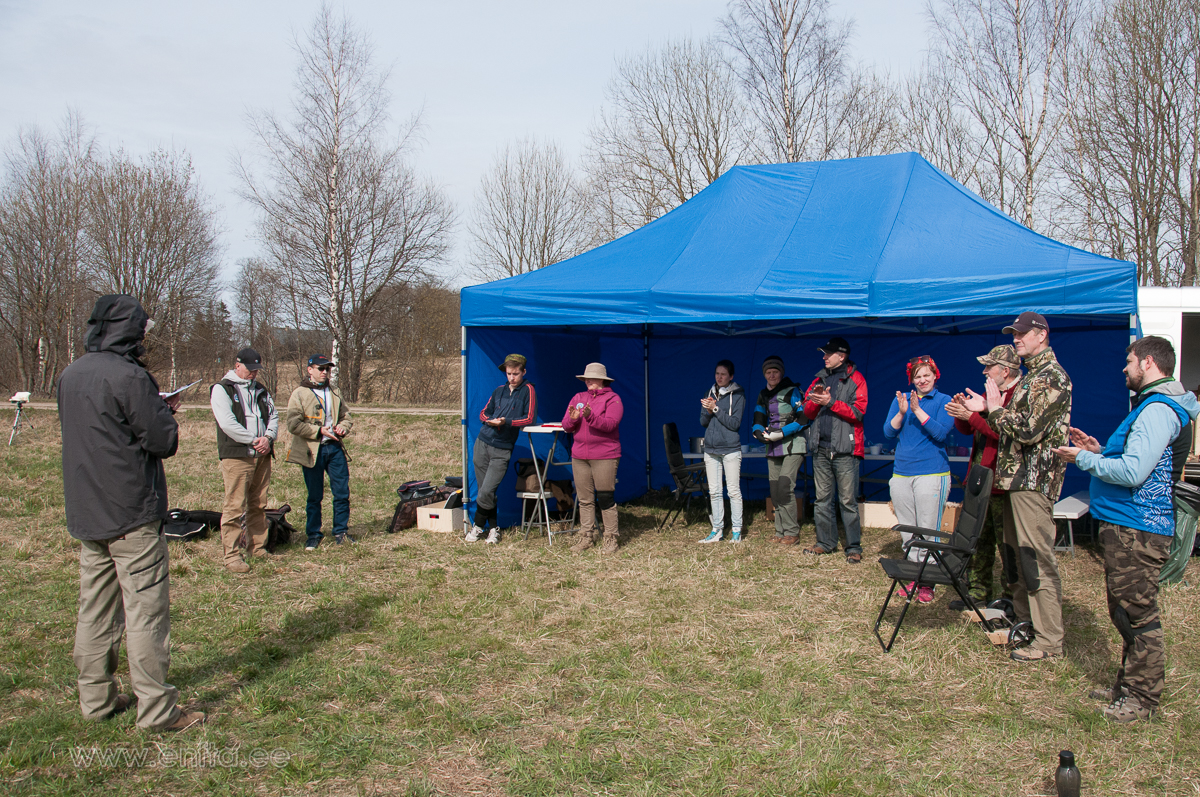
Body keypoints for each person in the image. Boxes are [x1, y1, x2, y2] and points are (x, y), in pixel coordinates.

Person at [57, 294, 204, 732]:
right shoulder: (130, 377)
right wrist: (165, 412)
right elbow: (163, 442)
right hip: (130, 513)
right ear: (131, 331)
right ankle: (157, 710)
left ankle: (96, 700)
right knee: (145, 614)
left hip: (87, 510)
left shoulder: (70, 374)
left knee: (95, 610)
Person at [1054, 336, 1198, 721]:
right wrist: (1100, 452)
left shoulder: (1156, 409)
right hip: (1128, 525)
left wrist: (1084, 459)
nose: (1124, 367)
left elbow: (1135, 473)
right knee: (1124, 610)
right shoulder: (1152, 407)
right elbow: (1138, 462)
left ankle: (1142, 699)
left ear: (1149, 363)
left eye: (1130, 360)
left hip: (1138, 528)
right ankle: (1128, 686)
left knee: (1137, 613)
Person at [961, 312, 1072, 662]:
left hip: (1033, 481)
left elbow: (1026, 430)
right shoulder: (1034, 376)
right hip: (1014, 480)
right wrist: (986, 408)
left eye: (1022, 333)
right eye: (1014, 333)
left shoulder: (1051, 377)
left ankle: (1049, 640)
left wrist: (991, 410)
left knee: (1035, 559)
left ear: (1041, 335)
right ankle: (1024, 623)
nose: (1017, 338)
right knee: (1015, 558)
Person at [945, 345, 1022, 610]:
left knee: (1007, 545)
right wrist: (962, 413)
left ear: (1005, 370)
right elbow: (971, 430)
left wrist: (976, 415)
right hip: (980, 479)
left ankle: (1010, 600)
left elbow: (1006, 435)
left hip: (1002, 483)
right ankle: (977, 593)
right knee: (978, 541)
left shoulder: (1018, 396)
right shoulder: (994, 394)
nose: (985, 371)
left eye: (990, 366)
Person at [882, 355, 955, 603]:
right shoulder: (901, 399)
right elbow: (888, 431)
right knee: (908, 531)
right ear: (912, 379)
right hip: (902, 473)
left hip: (932, 473)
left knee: (927, 531)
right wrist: (903, 412)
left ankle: (928, 583)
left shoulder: (944, 401)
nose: (922, 380)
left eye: (927, 375)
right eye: (917, 376)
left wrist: (917, 410)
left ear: (935, 376)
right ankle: (913, 578)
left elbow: (941, 433)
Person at [210, 347, 279, 572]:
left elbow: (274, 416)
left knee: (258, 504)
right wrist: (253, 440)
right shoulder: (222, 389)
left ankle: (257, 548)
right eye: (249, 369)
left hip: (262, 454)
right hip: (238, 456)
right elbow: (227, 423)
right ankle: (231, 556)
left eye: (256, 370)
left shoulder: (261, 389)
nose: (253, 374)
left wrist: (268, 438)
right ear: (237, 365)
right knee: (234, 506)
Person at [802, 337, 868, 562]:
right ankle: (825, 543)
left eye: (828, 354)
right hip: (820, 449)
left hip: (845, 451)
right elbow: (807, 413)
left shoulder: (856, 379)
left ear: (842, 356)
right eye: (823, 353)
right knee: (822, 499)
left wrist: (830, 402)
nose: (824, 357)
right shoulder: (818, 378)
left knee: (847, 501)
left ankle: (853, 548)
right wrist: (816, 400)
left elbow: (858, 412)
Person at [287, 354, 354, 549]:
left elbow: (346, 416)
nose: (325, 372)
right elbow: (293, 424)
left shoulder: (334, 391)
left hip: (334, 449)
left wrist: (343, 427)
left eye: (328, 369)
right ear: (310, 370)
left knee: (342, 493)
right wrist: (318, 431)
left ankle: (341, 531)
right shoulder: (299, 393)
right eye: (321, 368)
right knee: (315, 496)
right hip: (312, 450)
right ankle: (313, 534)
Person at [468, 353, 537, 544]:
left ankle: (478, 525)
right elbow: (484, 412)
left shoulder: (528, 390)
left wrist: (506, 422)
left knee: (486, 490)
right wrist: (488, 420)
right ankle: (494, 530)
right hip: (482, 442)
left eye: (515, 374)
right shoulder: (499, 390)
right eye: (509, 374)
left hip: (502, 448)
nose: (512, 377)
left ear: (524, 372)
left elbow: (529, 418)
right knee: (485, 490)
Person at [562, 363, 623, 553]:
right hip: (579, 455)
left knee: (605, 497)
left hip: (605, 455)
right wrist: (573, 419)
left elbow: (610, 424)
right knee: (585, 499)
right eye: (586, 378)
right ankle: (586, 536)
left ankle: (611, 538)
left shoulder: (613, 399)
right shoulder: (578, 397)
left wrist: (589, 417)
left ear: (602, 380)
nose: (588, 381)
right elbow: (566, 425)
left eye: (592, 378)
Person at [750, 355, 806, 545]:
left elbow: (803, 419)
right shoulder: (762, 394)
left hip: (793, 445)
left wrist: (782, 433)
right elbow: (758, 419)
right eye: (768, 372)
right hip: (772, 447)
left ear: (781, 373)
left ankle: (792, 532)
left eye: (775, 372)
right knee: (775, 490)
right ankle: (780, 531)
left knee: (785, 487)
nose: (772, 375)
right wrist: (758, 433)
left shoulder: (793, 391)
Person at [699, 359, 745, 543]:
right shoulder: (709, 393)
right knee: (715, 492)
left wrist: (716, 408)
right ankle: (717, 530)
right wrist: (708, 411)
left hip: (731, 449)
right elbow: (703, 422)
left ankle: (736, 531)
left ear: (731, 376)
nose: (719, 377)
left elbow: (735, 424)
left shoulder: (738, 395)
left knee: (733, 491)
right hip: (711, 449)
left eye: (723, 374)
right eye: (717, 373)